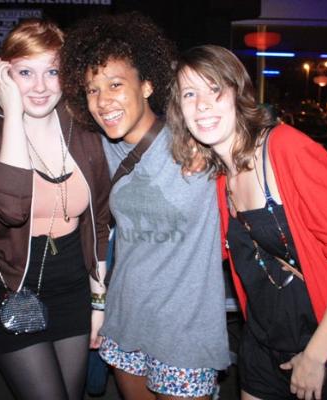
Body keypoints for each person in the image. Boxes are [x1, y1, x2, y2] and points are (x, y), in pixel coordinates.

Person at [167, 44, 327, 400]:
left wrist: (314, 356)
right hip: (261, 339)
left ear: (239, 94)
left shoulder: (285, 149)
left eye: (214, 89)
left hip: (324, 343)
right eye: (190, 94)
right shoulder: (220, 178)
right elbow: (207, 252)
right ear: (180, 109)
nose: (202, 104)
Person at [60, 13, 231, 400]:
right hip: (126, 320)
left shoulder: (197, 139)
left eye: (115, 84)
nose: (103, 100)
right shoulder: (99, 148)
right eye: (92, 90)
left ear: (148, 84)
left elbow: (245, 129)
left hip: (187, 333)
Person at [0, 19, 110, 400]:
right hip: (12, 284)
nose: (41, 86)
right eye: (26, 72)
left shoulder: (84, 125)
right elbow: (11, 210)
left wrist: (99, 301)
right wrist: (13, 114)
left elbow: (99, 221)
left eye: (53, 71)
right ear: (4, 73)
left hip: (73, 283)